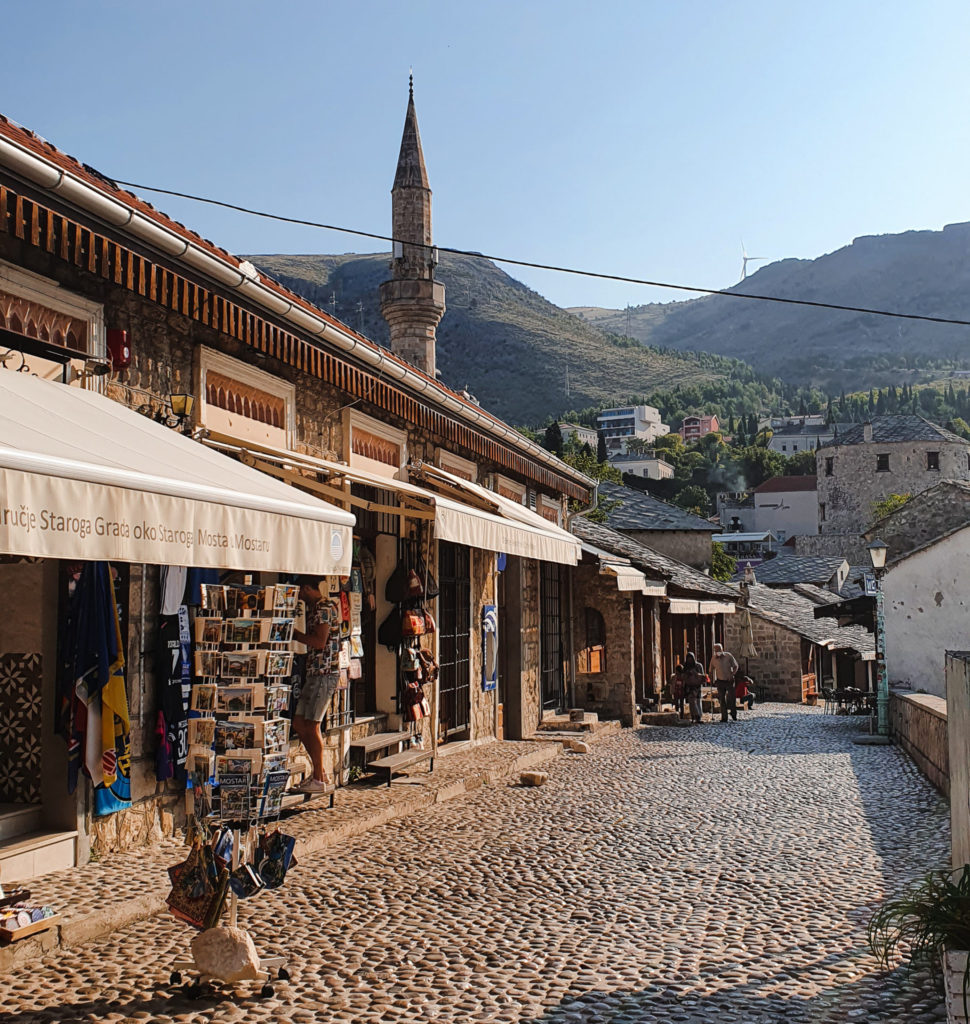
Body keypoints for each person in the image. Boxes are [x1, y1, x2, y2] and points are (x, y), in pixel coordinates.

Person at [290, 579, 339, 794]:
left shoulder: (324, 609)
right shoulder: (318, 608)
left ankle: (319, 778)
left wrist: (296, 635)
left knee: (312, 725)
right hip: (314, 672)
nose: (299, 595)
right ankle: (319, 772)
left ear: (308, 588)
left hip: (324, 673)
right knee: (299, 724)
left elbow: (320, 642)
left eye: (300, 590)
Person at [709, 642, 740, 722]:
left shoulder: (728, 656)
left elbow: (736, 666)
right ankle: (724, 717)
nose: (717, 651)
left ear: (722, 649)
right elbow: (711, 670)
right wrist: (711, 678)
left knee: (731, 698)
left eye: (719, 650)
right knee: (722, 699)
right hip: (720, 681)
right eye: (716, 650)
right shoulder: (713, 658)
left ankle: (733, 714)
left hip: (729, 680)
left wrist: (732, 674)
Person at [682, 651, 704, 724]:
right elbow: (683, 676)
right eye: (688, 659)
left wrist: (696, 674)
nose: (690, 660)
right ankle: (694, 716)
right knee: (691, 702)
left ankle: (699, 716)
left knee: (697, 701)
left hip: (697, 685)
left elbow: (702, 676)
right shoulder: (685, 666)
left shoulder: (698, 666)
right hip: (689, 686)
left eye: (691, 658)